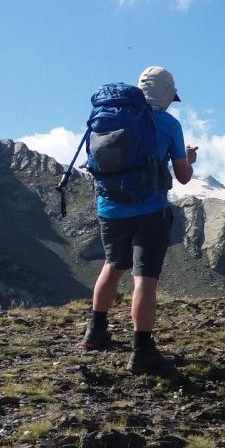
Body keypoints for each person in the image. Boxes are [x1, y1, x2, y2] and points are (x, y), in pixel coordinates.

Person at [82, 66, 197, 374]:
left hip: (110, 208)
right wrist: (188, 158)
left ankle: (95, 331)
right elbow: (184, 177)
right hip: (149, 210)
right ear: (167, 96)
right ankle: (142, 349)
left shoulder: (110, 117)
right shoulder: (168, 124)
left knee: (112, 264)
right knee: (144, 278)